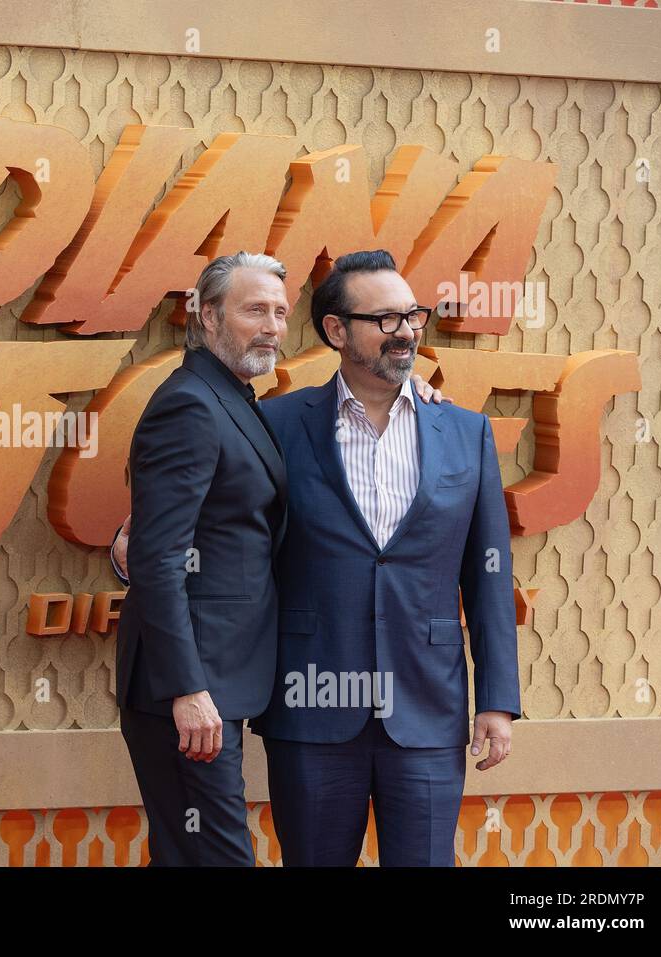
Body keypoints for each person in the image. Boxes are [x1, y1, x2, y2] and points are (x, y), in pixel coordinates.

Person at [114, 249, 519, 866]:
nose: (405, 330)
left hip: (428, 706)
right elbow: (196, 527)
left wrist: (496, 700)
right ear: (337, 331)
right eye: (384, 319)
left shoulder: (465, 432)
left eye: (412, 315)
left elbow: (488, 573)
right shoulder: (273, 423)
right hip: (310, 706)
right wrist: (130, 553)